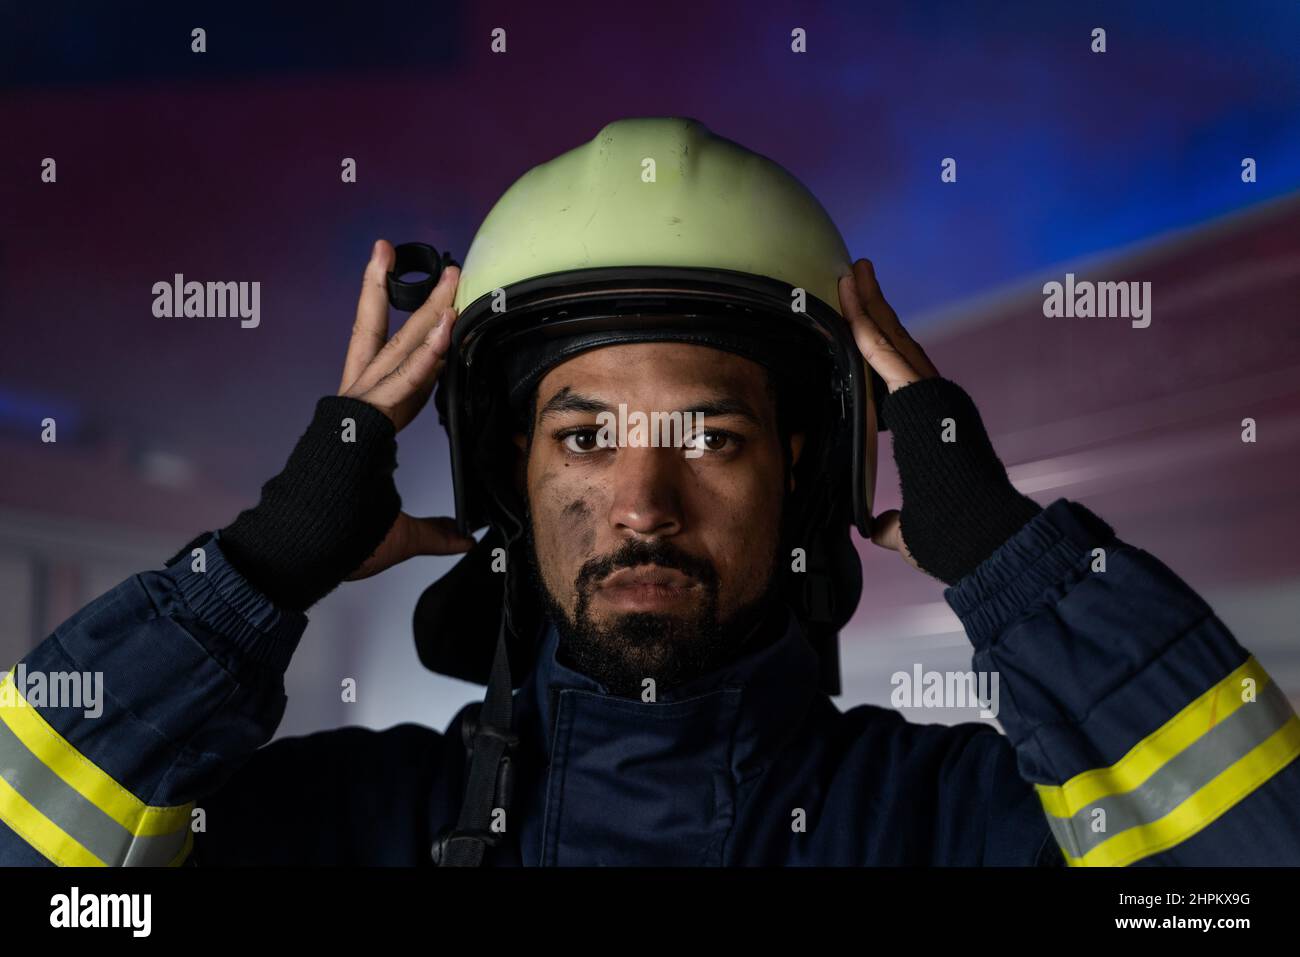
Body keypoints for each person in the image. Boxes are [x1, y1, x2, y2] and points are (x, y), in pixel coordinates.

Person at [2, 118, 1297, 867]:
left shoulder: (957, 825)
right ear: (507, 471)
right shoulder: (338, 829)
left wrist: (1026, 573)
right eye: (582, 435)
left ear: (806, 471)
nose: (642, 501)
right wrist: (252, 578)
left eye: (711, 436)